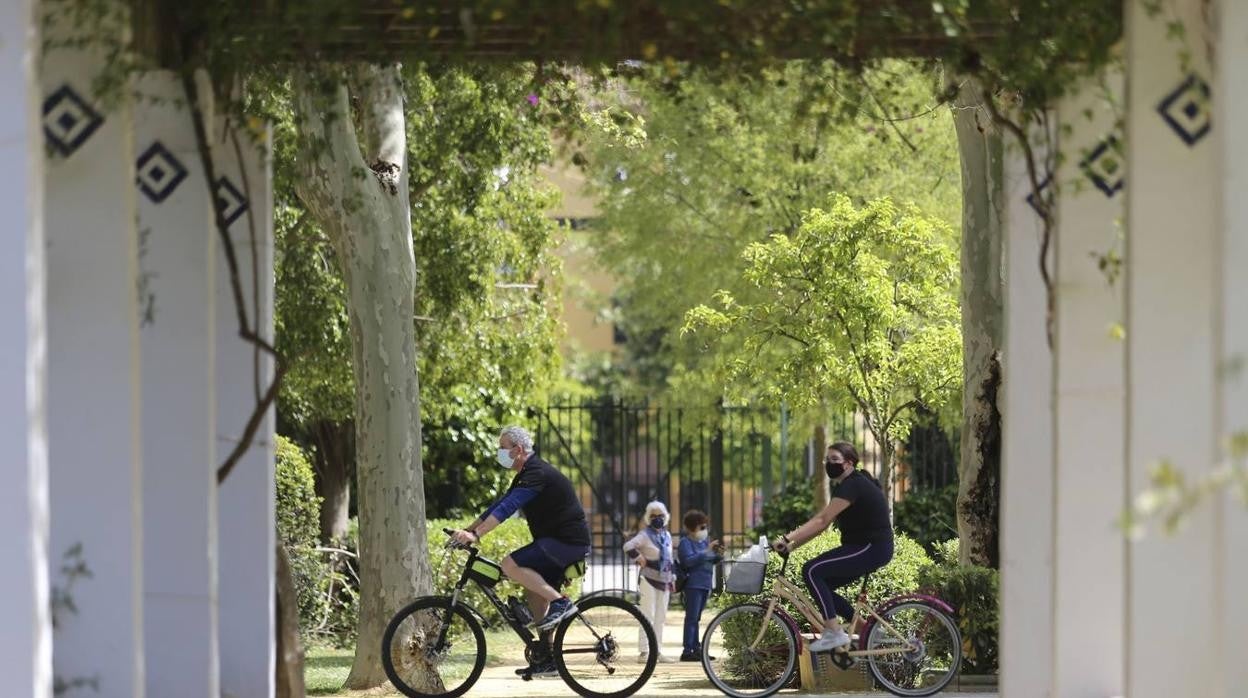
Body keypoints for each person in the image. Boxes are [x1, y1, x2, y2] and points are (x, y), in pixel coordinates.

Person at [452, 425, 591, 677]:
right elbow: (500, 504)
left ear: (517, 450)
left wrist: (476, 535)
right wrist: (467, 530)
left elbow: (508, 509)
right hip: (554, 541)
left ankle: (561, 603)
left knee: (508, 564)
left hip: (567, 542)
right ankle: (548, 659)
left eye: (502, 448)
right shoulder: (526, 473)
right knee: (533, 592)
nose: (499, 453)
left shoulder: (536, 472)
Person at [773, 442, 893, 652]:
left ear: (848, 464)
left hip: (871, 547)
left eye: (835, 460)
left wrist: (786, 537)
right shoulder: (847, 485)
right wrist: (791, 546)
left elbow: (822, 520)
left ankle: (834, 632)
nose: (829, 464)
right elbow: (821, 526)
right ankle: (866, 631)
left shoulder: (853, 485)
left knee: (811, 570)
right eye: (827, 460)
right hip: (865, 547)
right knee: (822, 582)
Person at [623, 500, 677, 663]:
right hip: (648, 578)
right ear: (648, 518)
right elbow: (628, 546)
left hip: (665, 579)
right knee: (648, 615)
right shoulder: (645, 535)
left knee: (661, 617)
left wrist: (673, 577)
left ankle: (657, 651)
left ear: (665, 517)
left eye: (660, 515)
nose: (657, 518)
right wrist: (639, 558)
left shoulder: (666, 535)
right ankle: (644, 652)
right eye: (653, 516)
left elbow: (669, 558)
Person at [676, 509, 722, 661]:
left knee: (697, 618)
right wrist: (706, 551)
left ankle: (696, 647)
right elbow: (688, 561)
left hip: (705, 584)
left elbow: (709, 560)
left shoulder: (703, 542)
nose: (704, 530)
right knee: (691, 618)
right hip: (693, 585)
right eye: (700, 527)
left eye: (705, 527)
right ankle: (688, 650)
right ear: (690, 528)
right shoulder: (685, 543)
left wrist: (717, 555)